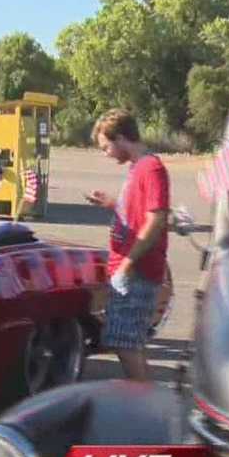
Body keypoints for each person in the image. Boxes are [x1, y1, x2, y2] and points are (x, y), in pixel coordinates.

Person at [84, 109, 170, 382]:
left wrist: (127, 266)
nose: (106, 153)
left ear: (121, 137)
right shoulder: (138, 168)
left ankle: (140, 402)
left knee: (122, 339)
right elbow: (140, 212)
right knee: (132, 340)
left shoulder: (151, 168)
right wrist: (112, 204)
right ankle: (145, 398)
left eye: (106, 146)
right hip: (131, 271)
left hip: (137, 273)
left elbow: (156, 219)